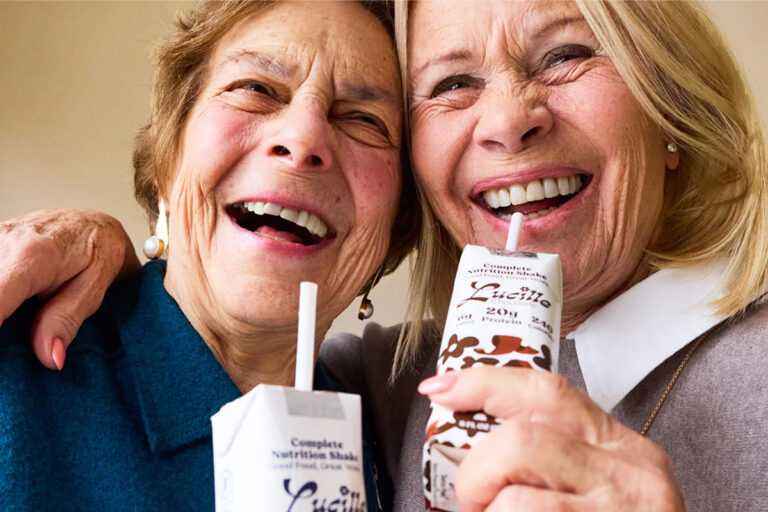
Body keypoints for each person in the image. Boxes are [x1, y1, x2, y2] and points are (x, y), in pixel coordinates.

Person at [3, 0, 767, 511]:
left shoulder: (377, 401)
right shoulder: (393, 387)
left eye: (565, 54)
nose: (506, 119)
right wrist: (102, 245)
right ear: (165, 155)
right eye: (454, 82)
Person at [0, 1, 419, 510]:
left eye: (363, 119)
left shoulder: (406, 446)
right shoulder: (16, 369)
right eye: (256, 90)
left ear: (397, 222)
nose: (304, 138)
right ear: (167, 158)